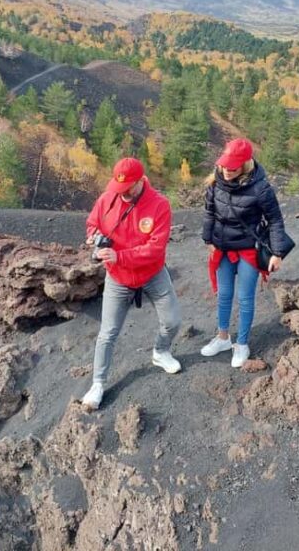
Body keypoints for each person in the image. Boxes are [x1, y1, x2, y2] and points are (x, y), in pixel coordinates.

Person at [81, 157, 182, 410]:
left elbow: (155, 249)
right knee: (107, 333)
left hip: (152, 274)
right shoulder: (107, 198)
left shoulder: (159, 205)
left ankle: (160, 352)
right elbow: (92, 223)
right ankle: (98, 383)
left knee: (172, 322)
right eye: (119, 188)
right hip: (118, 278)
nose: (122, 194)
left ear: (140, 181)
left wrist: (120, 255)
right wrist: (94, 238)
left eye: (128, 189)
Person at [201, 138, 295, 367]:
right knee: (223, 295)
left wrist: (277, 253)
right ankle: (223, 338)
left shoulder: (261, 188)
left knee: (244, 298)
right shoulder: (215, 182)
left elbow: (275, 221)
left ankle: (242, 344)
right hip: (223, 249)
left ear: (245, 164)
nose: (226, 171)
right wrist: (207, 239)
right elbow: (209, 212)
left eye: (232, 168)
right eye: (224, 166)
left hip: (248, 251)